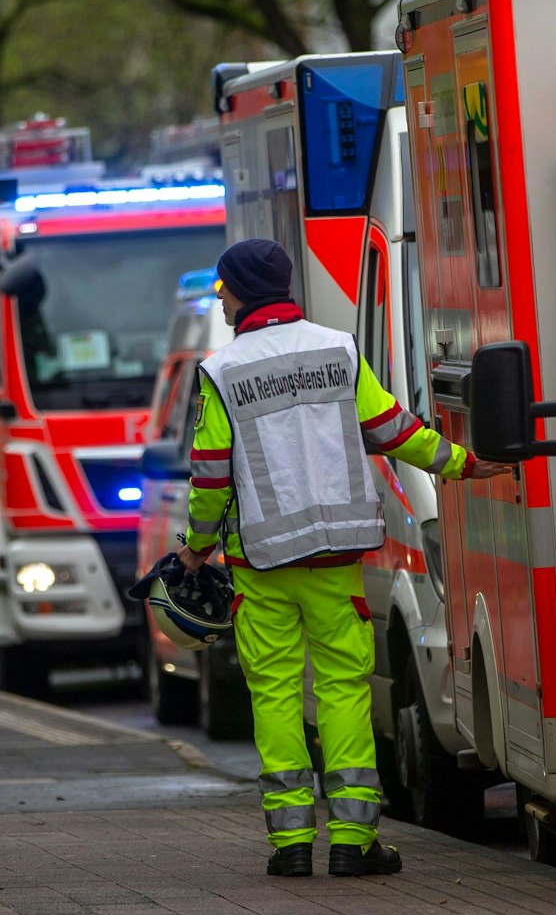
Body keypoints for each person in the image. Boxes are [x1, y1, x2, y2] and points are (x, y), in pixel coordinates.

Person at [178, 239, 511, 877]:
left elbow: (211, 476)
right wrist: (464, 464)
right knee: (343, 689)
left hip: (262, 563)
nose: (219, 297)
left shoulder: (223, 370)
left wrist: (195, 550)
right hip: (335, 556)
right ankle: (355, 844)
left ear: (244, 289)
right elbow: (393, 429)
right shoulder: (339, 349)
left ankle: (291, 845)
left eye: (223, 287)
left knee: (274, 694)